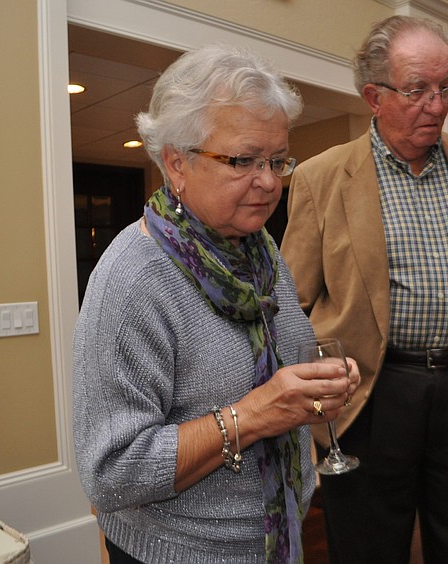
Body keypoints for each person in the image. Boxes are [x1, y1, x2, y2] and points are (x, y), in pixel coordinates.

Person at [72, 44, 360, 564]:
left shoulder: (260, 252)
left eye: (277, 160)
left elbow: (270, 366)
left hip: (276, 539)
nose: (269, 181)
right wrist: (254, 415)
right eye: (243, 160)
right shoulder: (133, 278)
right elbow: (112, 474)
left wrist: (314, 385)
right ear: (176, 163)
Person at [280, 16, 448, 563]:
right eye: (417, 90)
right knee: (368, 549)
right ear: (374, 96)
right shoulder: (322, 177)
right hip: (372, 397)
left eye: (446, 87)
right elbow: (291, 303)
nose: (437, 106)